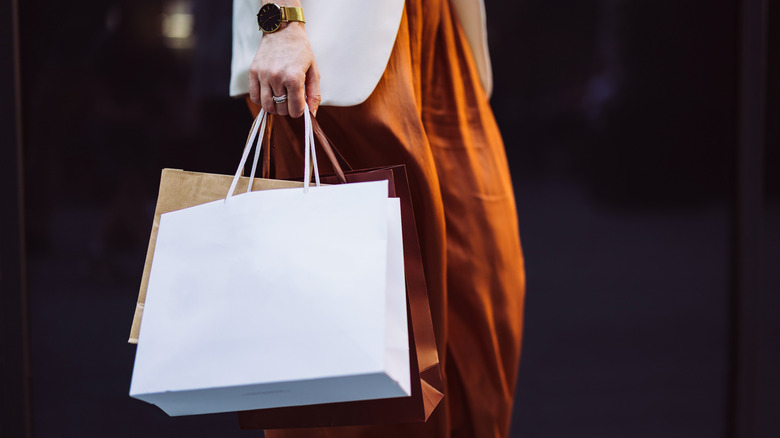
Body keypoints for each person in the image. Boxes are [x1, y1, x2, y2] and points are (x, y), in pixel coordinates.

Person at [230, 1, 525, 437]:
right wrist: (281, 22)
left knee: (480, 291)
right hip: (330, 46)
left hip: (437, 25)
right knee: (363, 339)